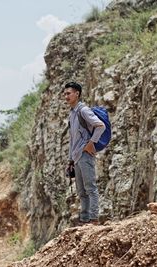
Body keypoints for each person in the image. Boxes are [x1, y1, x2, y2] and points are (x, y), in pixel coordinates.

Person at [63, 81, 106, 225]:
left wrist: (91, 143)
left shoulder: (83, 110)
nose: (66, 96)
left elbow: (101, 126)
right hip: (76, 157)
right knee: (81, 192)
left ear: (77, 94)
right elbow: (72, 139)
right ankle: (85, 220)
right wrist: (70, 160)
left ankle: (94, 220)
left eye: (69, 93)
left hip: (85, 154)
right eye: (65, 94)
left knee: (90, 189)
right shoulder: (72, 114)